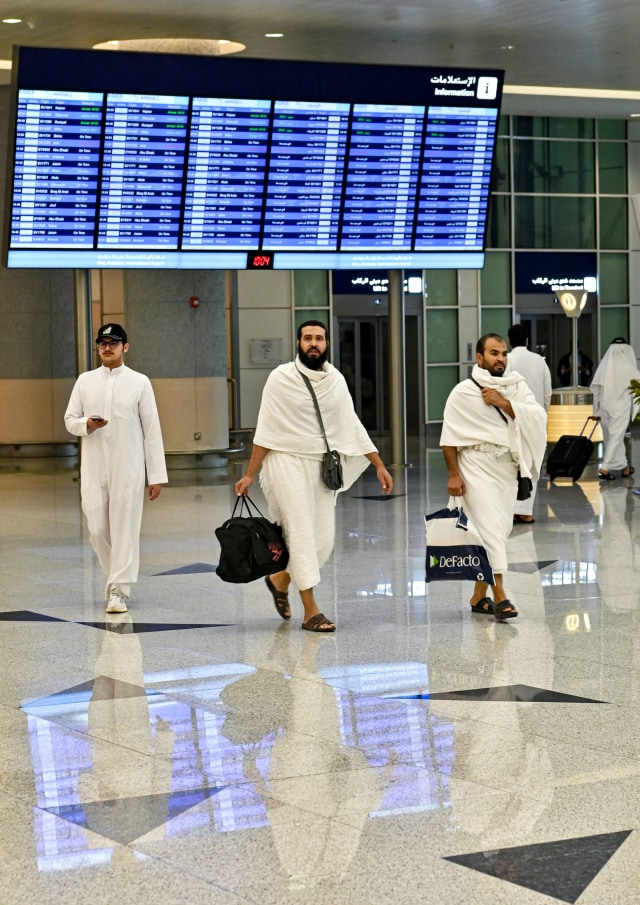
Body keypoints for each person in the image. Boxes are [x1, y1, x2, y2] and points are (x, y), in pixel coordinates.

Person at [234, 320, 393, 633]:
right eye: (308, 338)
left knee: (323, 541)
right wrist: (250, 474)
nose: (314, 343)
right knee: (301, 534)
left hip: (320, 465)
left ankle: (279, 579)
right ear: (298, 343)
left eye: (319, 338)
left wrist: (378, 464)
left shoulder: (335, 380)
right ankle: (311, 611)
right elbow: (266, 429)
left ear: (327, 344)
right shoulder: (281, 378)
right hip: (285, 461)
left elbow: (351, 423)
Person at [440, 333, 547, 622]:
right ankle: (501, 597)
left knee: (498, 531)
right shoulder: (463, 392)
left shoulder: (516, 386)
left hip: (506, 469)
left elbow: (537, 416)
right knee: (489, 531)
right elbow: (449, 437)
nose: (500, 359)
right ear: (479, 357)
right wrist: (454, 475)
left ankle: (478, 597)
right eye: (493, 353)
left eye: (503, 353)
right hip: (476, 466)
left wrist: (504, 402)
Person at [64, 323, 168, 614]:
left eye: (113, 342)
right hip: (94, 466)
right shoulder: (85, 381)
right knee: (97, 529)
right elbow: (70, 419)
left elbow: (152, 431)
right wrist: (86, 424)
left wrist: (156, 476)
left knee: (125, 528)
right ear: (97, 347)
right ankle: (115, 578)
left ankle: (119, 590)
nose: (107, 347)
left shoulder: (139, 382)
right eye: (103, 343)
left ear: (126, 347)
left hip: (129, 466)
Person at [507, 323, 551, 523]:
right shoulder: (540, 361)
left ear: (509, 341)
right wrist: (543, 415)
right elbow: (548, 393)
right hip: (535, 419)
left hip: (512, 418)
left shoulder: (507, 360)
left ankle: (511, 509)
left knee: (513, 463)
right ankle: (526, 511)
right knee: (533, 463)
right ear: (527, 340)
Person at [591, 337, 640, 480]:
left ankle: (624, 467)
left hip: (605, 408)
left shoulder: (604, 367)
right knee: (616, 437)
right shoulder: (629, 369)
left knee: (611, 437)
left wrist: (596, 411)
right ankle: (605, 467)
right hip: (621, 408)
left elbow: (596, 390)